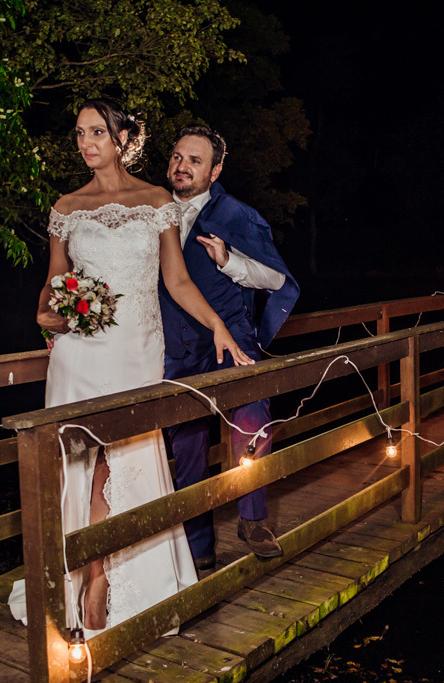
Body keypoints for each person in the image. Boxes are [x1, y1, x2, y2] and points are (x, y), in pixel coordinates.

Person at [7, 100, 253, 637]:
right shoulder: (66, 207)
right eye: (78, 134)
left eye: (97, 131)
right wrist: (54, 316)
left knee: (122, 467)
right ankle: (91, 582)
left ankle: (112, 582)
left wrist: (219, 327)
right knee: (82, 467)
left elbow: (178, 282)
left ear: (123, 138)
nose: (86, 142)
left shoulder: (156, 201)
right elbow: (51, 288)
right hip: (81, 353)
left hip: (138, 351)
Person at [160, 125, 299, 569]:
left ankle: (253, 518)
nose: (182, 166)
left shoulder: (237, 215)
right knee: (187, 450)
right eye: (178, 157)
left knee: (252, 420)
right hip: (174, 349)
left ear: (215, 170)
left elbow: (278, 281)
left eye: (195, 160)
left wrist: (230, 261)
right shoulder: (151, 212)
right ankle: (198, 547)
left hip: (230, 343)